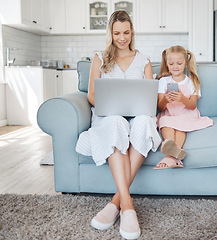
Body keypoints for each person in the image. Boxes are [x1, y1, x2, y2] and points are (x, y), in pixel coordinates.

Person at [75, 10, 161, 239]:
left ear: (132, 32)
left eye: (126, 32)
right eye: (116, 33)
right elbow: (92, 95)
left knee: (144, 121)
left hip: (137, 115)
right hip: (109, 116)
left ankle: (116, 202)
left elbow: (150, 97)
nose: (122, 38)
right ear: (110, 34)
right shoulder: (100, 58)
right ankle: (128, 207)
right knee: (115, 123)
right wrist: (110, 106)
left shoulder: (144, 60)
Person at [154, 45, 213, 169]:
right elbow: (160, 106)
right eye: (171, 64)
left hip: (186, 114)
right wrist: (165, 99)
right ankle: (174, 152)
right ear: (167, 64)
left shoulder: (192, 82)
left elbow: (192, 106)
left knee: (180, 126)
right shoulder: (163, 81)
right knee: (165, 121)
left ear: (186, 63)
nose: (175, 67)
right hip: (169, 113)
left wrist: (182, 99)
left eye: (179, 63)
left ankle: (171, 156)